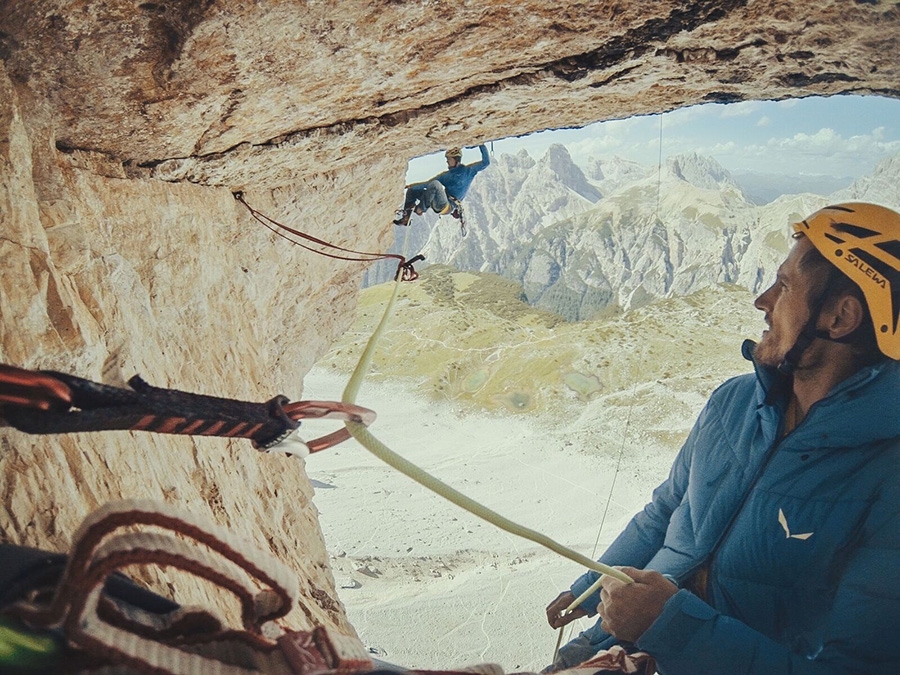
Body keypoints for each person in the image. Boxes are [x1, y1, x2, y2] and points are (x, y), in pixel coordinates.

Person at [545, 202, 900, 674]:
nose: (763, 300)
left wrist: (668, 625)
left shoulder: (888, 472)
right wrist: (591, 585)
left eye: (786, 285)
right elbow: (668, 510)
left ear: (841, 316)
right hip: (610, 644)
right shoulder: (733, 402)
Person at [393, 145, 490, 226]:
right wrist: (411, 187)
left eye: (449, 159)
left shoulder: (468, 171)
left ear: (456, 160)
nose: (447, 161)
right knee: (412, 192)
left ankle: (421, 209)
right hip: (439, 201)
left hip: (448, 206)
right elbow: (428, 184)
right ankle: (406, 218)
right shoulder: (449, 175)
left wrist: (480, 144)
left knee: (435, 184)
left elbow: (486, 162)